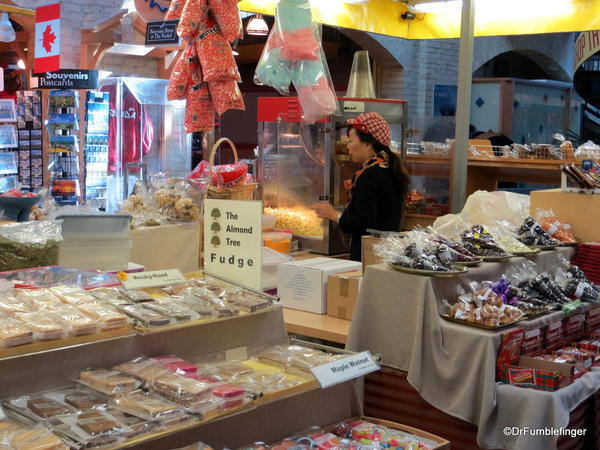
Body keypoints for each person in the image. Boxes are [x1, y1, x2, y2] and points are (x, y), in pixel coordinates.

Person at [311, 112, 410, 261]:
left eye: (351, 140)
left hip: (370, 255)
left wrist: (333, 214)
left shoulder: (369, 175)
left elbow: (363, 224)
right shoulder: (387, 168)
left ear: (368, 144)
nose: (348, 147)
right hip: (388, 252)